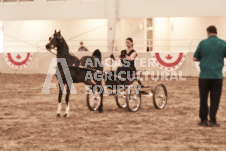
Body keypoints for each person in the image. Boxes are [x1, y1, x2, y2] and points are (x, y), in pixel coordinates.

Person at [193, 25, 226, 127]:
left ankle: (203, 120)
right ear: (216, 32)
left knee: (203, 98)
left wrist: (203, 60)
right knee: (215, 99)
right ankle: (212, 120)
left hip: (204, 76)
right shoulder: (223, 43)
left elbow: (195, 58)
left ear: (207, 32)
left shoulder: (203, 43)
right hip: (217, 76)